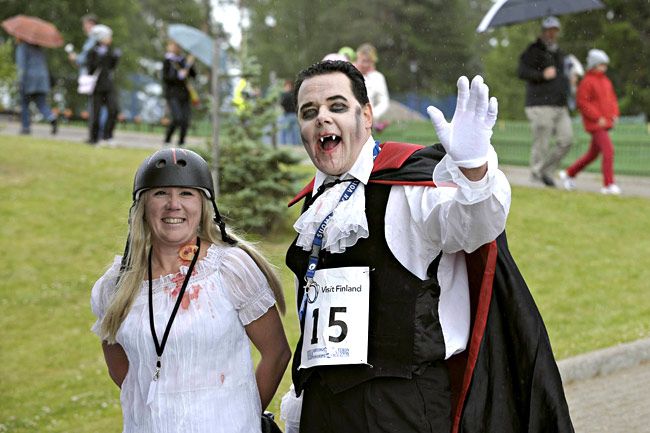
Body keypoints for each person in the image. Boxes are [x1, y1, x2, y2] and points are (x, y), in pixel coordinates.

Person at [281, 60, 573, 432]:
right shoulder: (315, 205)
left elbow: (474, 226)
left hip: (400, 408)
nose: (322, 118)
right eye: (309, 112)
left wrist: (474, 171)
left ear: (366, 115)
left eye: (337, 106)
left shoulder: (409, 185)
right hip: (323, 404)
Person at [90, 148, 291, 432]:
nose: (174, 204)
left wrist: (241, 417)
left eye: (186, 193)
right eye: (161, 193)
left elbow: (276, 353)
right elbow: (122, 369)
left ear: (203, 205)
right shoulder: (115, 286)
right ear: (143, 206)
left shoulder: (229, 269)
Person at [518, 16, 573, 187]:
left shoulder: (560, 53)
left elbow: (562, 75)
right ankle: (536, 176)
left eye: (555, 30)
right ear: (543, 31)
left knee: (566, 140)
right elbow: (521, 72)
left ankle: (545, 171)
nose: (552, 34)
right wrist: (541, 75)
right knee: (541, 142)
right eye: (549, 30)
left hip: (560, 104)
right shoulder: (533, 50)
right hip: (540, 103)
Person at [560, 49, 621, 194]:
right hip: (596, 125)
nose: (604, 68)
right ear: (594, 65)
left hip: (605, 123)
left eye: (605, 65)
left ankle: (569, 173)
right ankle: (608, 184)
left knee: (592, 155)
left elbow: (612, 100)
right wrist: (597, 118)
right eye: (601, 65)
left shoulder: (606, 81)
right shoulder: (587, 82)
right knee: (608, 151)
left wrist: (615, 114)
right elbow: (583, 103)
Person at [86, 25, 120, 145]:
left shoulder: (110, 51)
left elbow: (111, 67)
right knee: (96, 113)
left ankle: (107, 136)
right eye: (108, 36)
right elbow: (90, 69)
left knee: (113, 110)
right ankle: (93, 138)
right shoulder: (92, 52)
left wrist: (115, 58)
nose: (110, 39)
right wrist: (99, 57)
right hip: (96, 86)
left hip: (108, 85)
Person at [14, 38, 57, 135]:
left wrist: (20, 81)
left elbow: (22, 66)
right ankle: (51, 117)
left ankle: (26, 128)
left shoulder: (22, 47)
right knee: (42, 104)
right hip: (42, 80)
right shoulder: (39, 48)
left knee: (24, 103)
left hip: (29, 80)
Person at [162, 41, 197, 146]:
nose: (175, 48)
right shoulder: (167, 61)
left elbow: (193, 75)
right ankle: (167, 141)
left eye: (177, 46)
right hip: (173, 94)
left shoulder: (184, 61)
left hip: (185, 94)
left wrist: (190, 65)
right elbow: (166, 78)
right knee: (177, 118)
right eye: (173, 46)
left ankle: (181, 143)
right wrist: (178, 75)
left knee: (185, 120)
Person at [354, 43, 390, 131]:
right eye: (363, 60)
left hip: (366, 123)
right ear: (357, 58)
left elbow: (384, 101)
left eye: (369, 61)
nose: (366, 65)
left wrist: (373, 115)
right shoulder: (347, 74)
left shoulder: (378, 78)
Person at [278, 79, 300, 145]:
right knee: (295, 132)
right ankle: (296, 145)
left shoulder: (285, 95)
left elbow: (282, 104)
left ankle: (284, 145)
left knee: (285, 131)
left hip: (287, 115)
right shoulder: (295, 94)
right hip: (295, 115)